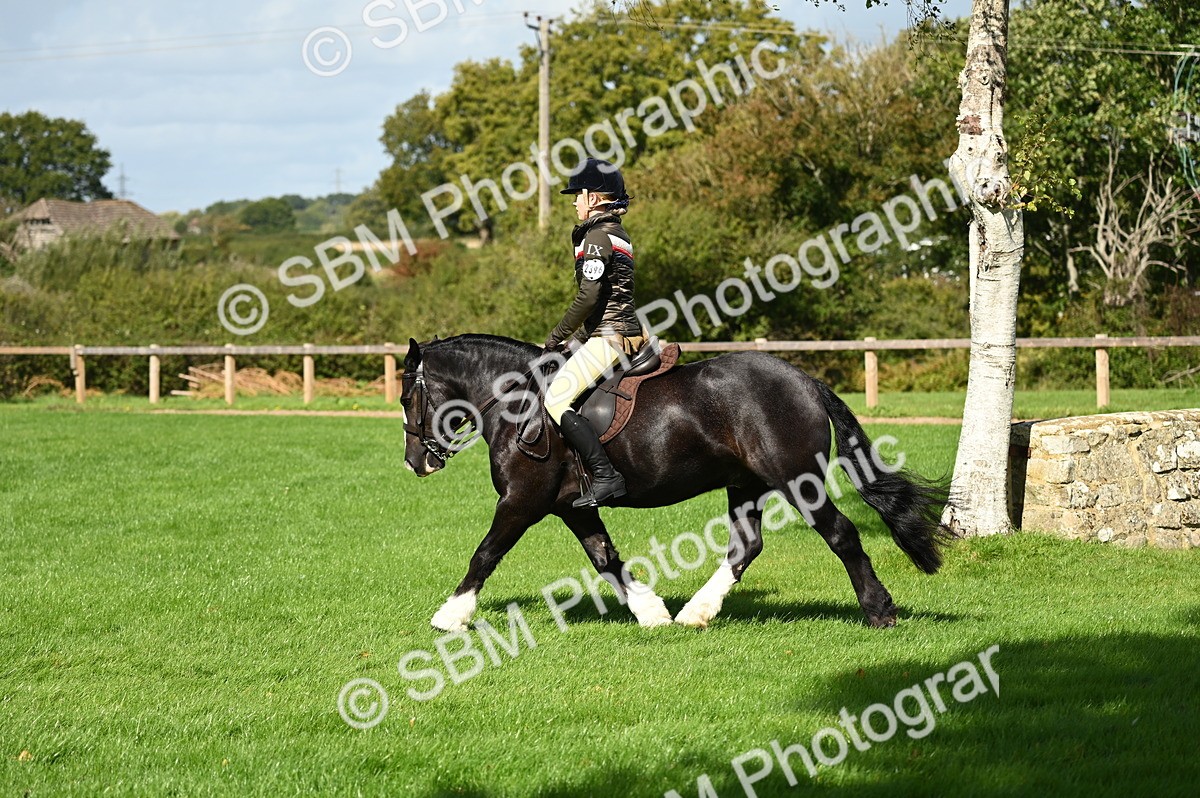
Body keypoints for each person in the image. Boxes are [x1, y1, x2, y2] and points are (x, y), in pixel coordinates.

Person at [543, 158, 646, 508]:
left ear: (594, 197)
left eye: (578, 195)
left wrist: (557, 334)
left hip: (609, 336)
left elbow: (589, 297)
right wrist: (574, 340)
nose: (575, 202)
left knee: (556, 400)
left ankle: (605, 476)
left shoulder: (598, 237)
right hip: (612, 331)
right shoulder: (615, 232)